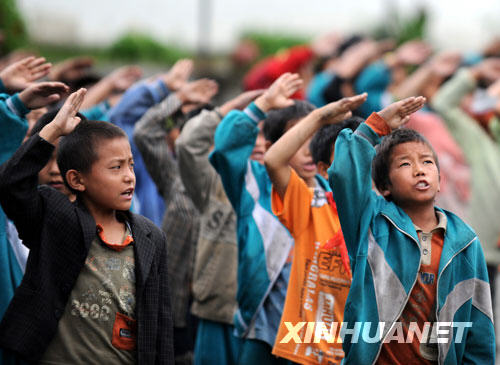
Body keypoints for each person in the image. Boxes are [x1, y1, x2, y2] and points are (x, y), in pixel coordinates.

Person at [0, 89, 173, 363]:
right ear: (77, 180)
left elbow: (160, 321)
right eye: (115, 168)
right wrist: (54, 129)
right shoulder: (56, 218)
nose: (129, 177)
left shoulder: (150, 236)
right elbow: (11, 183)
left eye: (130, 165)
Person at [329, 96, 494, 363]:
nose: (419, 170)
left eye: (427, 163)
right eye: (405, 164)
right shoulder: (371, 222)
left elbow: (479, 325)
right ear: (384, 187)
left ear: (440, 181)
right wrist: (376, 126)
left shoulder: (465, 241)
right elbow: (344, 174)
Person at [210, 72, 317, 363]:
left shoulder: (332, 192)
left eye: (315, 138)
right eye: (298, 138)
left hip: (316, 331)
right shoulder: (254, 186)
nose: (308, 150)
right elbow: (226, 146)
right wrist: (263, 104)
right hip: (264, 327)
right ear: (272, 147)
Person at [264, 94, 366, 364]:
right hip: (307, 354)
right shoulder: (310, 208)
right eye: (344, 160)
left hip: (359, 353)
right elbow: (274, 160)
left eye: (363, 160)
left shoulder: (383, 220)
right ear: (324, 170)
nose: (355, 170)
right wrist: (319, 117)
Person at [133, 77, 218, 364]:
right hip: (174, 303)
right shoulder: (174, 176)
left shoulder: (239, 181)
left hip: (217, 305)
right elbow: (144, 132)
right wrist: (178, 97)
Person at [175, 89, 263, 364]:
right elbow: (188, 143)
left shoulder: (288, 189)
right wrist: (231, 108)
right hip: (218, 310)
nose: (258, 143)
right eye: (251, 134)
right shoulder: (214, 182)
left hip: (268, 319)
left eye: (265, 135)